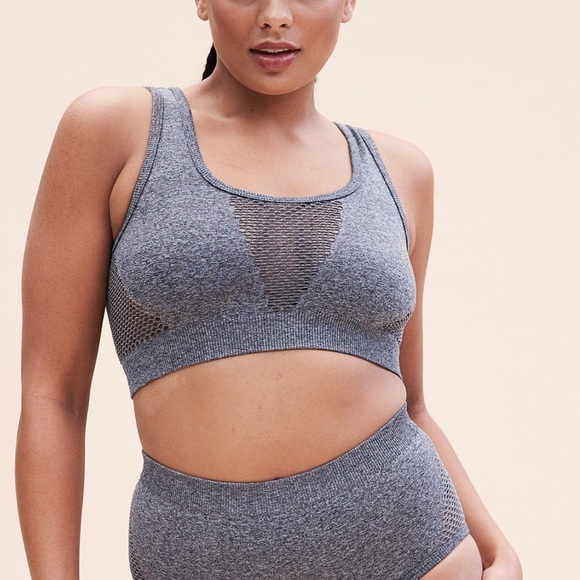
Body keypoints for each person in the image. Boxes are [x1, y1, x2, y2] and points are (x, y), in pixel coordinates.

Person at [16, 0, 522, 578]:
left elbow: (412, 401)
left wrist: (497, 551)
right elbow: (53, 395)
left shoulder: (401, 171)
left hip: (414, 551)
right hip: (199, 559)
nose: (275, 15)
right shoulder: (114, 131)